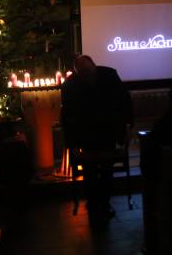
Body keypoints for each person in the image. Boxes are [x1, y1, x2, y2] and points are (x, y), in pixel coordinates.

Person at [60, 55, 134, 223]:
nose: (87, 77)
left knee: (101, 169)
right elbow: (67, 117)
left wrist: (128, 126)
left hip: (106, 131)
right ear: (77, 73)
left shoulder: (108, 76)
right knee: (92, 169)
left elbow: (125, 100)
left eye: (88, 72)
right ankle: (97, 203)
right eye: (84, 74)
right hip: (88, 136)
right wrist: (72, 144)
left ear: (94, 65)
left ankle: (101, 203)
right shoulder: (71, 86)